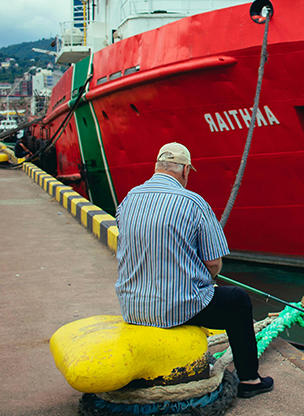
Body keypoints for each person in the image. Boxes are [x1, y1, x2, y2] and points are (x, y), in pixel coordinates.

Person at [114, 142, 273, 398]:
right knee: (238, 301)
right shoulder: (193, 203)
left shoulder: (128, 199)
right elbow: (213, 264)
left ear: (157, 166)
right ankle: (250, 380)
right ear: (185, 170)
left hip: (132, 308)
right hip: (175, 309)